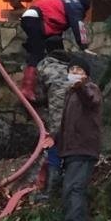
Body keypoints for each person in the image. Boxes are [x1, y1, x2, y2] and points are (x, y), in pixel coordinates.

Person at [55, 54, 101, 221]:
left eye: (78, 70)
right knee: (71, 187)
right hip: (71, 148)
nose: (74, 73)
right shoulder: (70, 94)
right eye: (71, 70)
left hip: (84, 147)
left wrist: (80, 86)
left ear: (86, 74)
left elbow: (91, 100)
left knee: (74, 187)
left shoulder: (90, 89)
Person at [19, 0, 91, 99]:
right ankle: (27, 88)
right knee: (37, 52)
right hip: (36, 19)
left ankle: (45, 87)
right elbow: (78, 25)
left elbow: (56, 33)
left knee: (53, 52)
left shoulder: (66, 4)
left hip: (31, 18)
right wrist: (84, 47)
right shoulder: (76, 6)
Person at [34, 42, 73, 197]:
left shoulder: (44, 66)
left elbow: (39, 95)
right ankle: (67, 188)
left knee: (54, 147)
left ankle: (51, 190)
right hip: (76, 116)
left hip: (56, 117)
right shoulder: (74, 66)